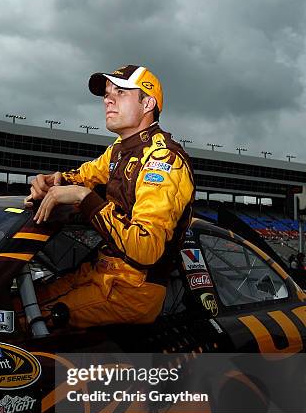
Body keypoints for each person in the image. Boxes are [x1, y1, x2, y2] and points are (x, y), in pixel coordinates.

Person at [25, 64, 195, 328]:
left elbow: (146, 248)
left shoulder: (163, 160)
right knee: (17, 304)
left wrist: (84, 197)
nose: (108, 99)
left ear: (148, 103)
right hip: (100, 271)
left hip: (133, 290)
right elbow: (83, 175)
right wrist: (51, 182)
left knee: (28, 320)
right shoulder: (119, 149)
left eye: (121, 92)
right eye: (107, 93)